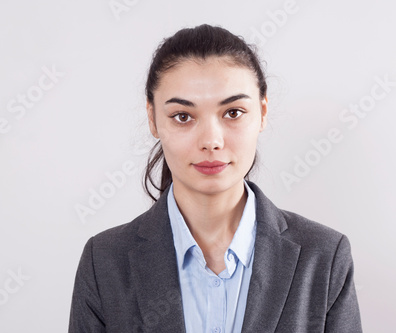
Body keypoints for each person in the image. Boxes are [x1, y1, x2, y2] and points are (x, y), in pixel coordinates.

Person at [68, 24, 362, 333]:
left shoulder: (324, 257)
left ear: (262, 112)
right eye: (183, 116)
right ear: (153, 118)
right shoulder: (104, 262)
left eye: (233, 112)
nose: (211, 141)